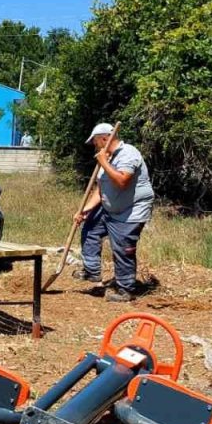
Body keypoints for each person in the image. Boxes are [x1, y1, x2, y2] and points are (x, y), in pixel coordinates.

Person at [72, 123, 154, 302]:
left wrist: (103, 162)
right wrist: (85, 210)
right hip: (110, 206)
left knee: (122, 248)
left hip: (130, 210)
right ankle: (92, 270)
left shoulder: (128, 153)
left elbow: (122, 181)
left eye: (95, 142)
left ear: (103, 139)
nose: (95, 146)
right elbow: (102, 189)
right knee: (91, 227)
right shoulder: (107, 157)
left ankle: (125, 289)